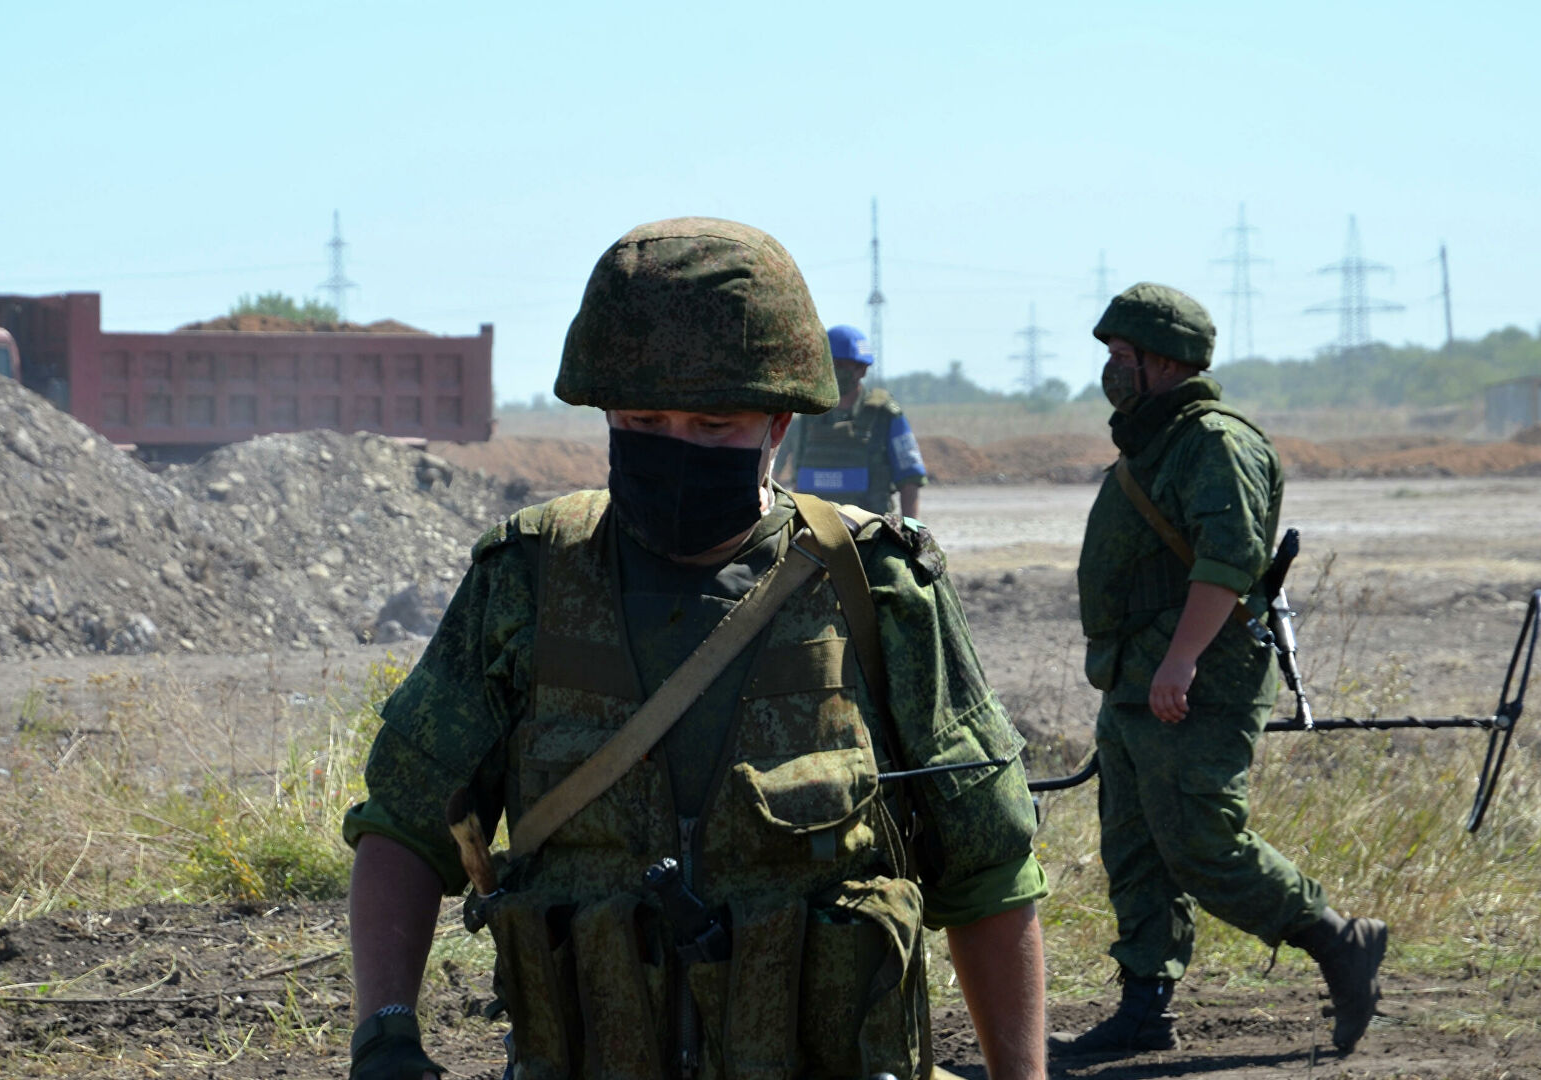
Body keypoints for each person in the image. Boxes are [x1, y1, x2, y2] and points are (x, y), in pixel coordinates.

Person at [343, 217, 1049, 1080]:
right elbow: (403, 825)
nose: (677, 447)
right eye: (645, 419)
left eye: (714, 425)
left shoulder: (877, 589)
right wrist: (384, 1031)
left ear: (778, 423)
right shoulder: (526, 581)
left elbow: (989, 870)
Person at [1052, 283, 1388, 1058]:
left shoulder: (1214, 442)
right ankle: (1145, 1009)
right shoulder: (1154, 439)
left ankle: (1339, 939)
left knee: (1202, 839)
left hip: (1195, 677)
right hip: (1139, 677)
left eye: (1122, 356)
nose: (1110, 370)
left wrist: (1180, 661)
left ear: (1164, 361)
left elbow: (1228, 560)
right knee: (1135, 847)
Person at [774, 324, 928, 518]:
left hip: (869, 532)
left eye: (842, 365)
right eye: (830, 364)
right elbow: (774, 471)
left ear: (862, 370)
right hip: (810, 532)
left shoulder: (885, 417)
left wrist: (910, 531)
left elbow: (910, 479)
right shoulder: (805, 416)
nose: (835, 372)